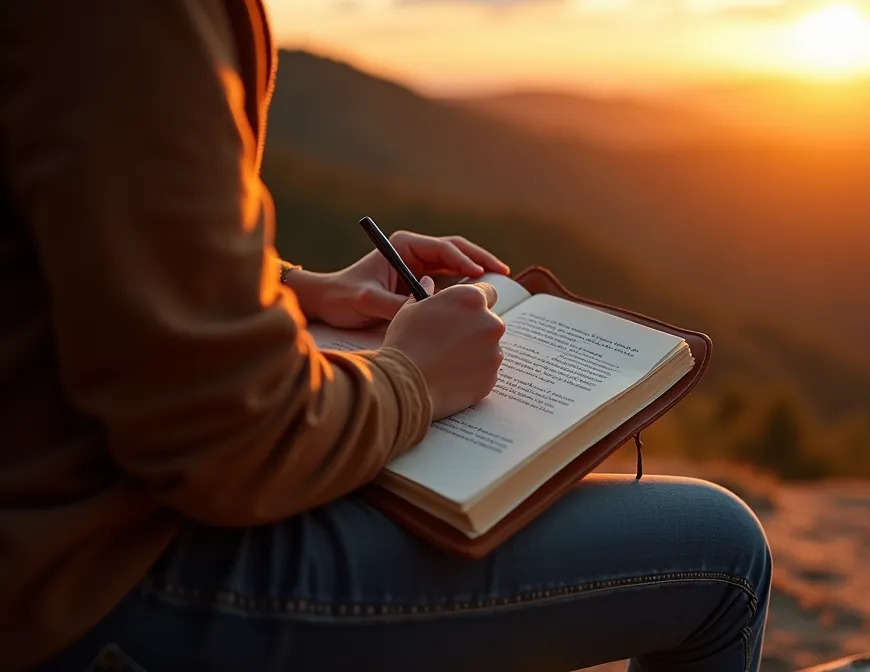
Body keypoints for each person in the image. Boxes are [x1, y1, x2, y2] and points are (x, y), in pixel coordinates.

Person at [0, 2, 772, 670]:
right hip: (83, 587)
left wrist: (292, 290)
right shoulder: (128, 18)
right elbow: (225, 447)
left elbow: (66, 239)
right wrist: (415, 379)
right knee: (720, 551)